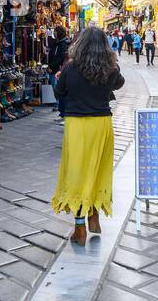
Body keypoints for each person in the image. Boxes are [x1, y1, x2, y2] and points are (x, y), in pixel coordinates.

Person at [52, 26, 124, 246]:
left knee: (77, 173)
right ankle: (94, 216)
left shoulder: (70, 68)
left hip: (76, 125)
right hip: (101, 124)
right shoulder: (110, 68)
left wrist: (59, 77)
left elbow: (59, 92)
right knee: (97, 169)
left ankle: (80, 227)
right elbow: (119, 84)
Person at [47, 24, 71, 124]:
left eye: (56, 32)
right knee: (60, 91)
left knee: (61, 92)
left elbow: (61, 58)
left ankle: (65, 114)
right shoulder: (59, 42)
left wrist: (51, 66)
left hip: (59, 70)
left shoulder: (63, 43)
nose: (54, 34)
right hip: (56, 69)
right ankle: (62, 113)